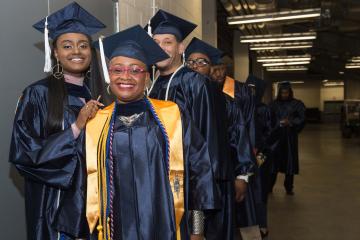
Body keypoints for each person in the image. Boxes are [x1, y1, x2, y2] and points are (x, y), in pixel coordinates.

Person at [87, 25, 220, 240]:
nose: (126, 77)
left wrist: (197, 229)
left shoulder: (172, 116)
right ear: (109, 75)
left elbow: (200, 173)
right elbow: (83, 187)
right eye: (118, 70)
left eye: (135, 70)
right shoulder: (96, 124)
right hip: (115, 230)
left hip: (167, 227)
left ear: (147, 77)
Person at [9, 2, 107, 239]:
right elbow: (24, 154)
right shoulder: (37, 94)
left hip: (95, 209)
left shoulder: (100, 95)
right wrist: (76, 127)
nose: (77, 51)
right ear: (55, 52)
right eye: (67, 45)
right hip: (55, 207)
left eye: (83, 45)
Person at [185, 37, 254, 240]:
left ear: (210, 68)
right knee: (194, 229)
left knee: (219, 230)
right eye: (191, 62)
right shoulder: (176, 99)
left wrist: (243, 176)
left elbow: (239, 136)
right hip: (188, 180)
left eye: (202, 62)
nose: (196, 66)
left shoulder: (226, 103)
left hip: (219, 180)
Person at [246, 76, 276, 238]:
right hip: (242, 158)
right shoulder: (240, 106)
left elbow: (272, 133)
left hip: (260, 158)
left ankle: (262, 223)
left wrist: (262, 153)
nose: (250, 92)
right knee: (243, 192)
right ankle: (246, 224)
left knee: (259, 193)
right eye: (248, 88)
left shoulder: (264, 110)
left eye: (253, 89)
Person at [270, 81, 306, 195]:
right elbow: (267, 119)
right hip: (276, 138)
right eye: (282, 92)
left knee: (289, 163)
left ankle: (289, 187)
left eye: (286, 92)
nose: (284, 95)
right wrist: (277, 123)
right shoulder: (273, 105)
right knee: (273, 163)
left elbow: (302, 118)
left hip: (290, 138)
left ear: (290, 92)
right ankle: (269, 186)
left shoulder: (297, 104)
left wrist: (290, 122)